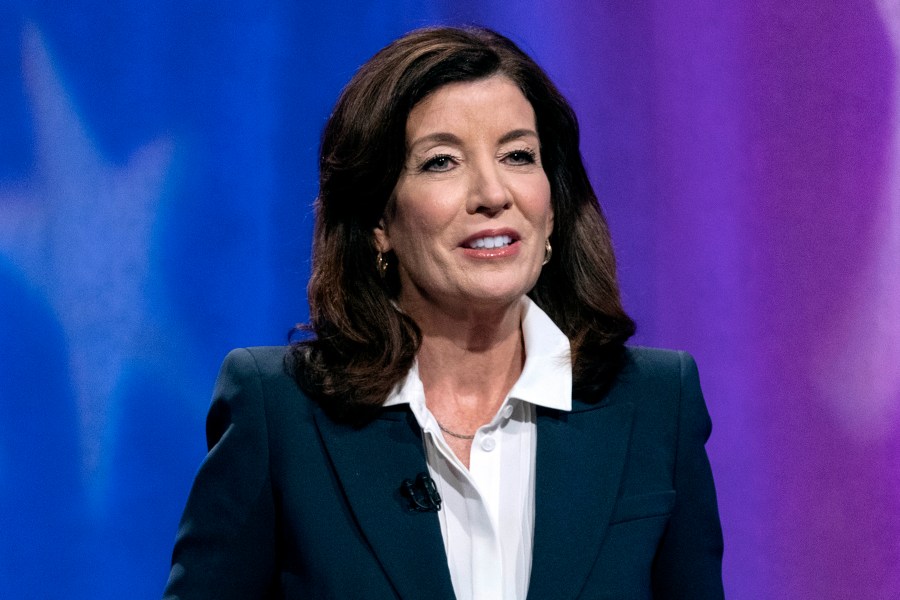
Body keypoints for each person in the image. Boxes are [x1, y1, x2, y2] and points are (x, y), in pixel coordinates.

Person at [163, 26, 724, 600]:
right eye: (442, 162)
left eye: (518, 155)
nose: (492, 193)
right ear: (378, 221)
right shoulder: (278, 413)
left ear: (553, 208)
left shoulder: (657, 405)